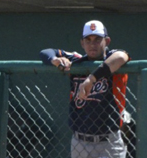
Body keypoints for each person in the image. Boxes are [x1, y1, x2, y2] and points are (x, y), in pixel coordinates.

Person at [39, 20, 131, 158]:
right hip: (79, 141)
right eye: (88, 40)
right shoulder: (77, 60)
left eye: (97, 40)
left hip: (109, 141)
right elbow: (46, 52)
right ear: (82, 43)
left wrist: (91, 79)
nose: (92, 44)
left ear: (107, 41)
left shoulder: (112, 56)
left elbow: (121, 56)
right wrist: (55, 60)